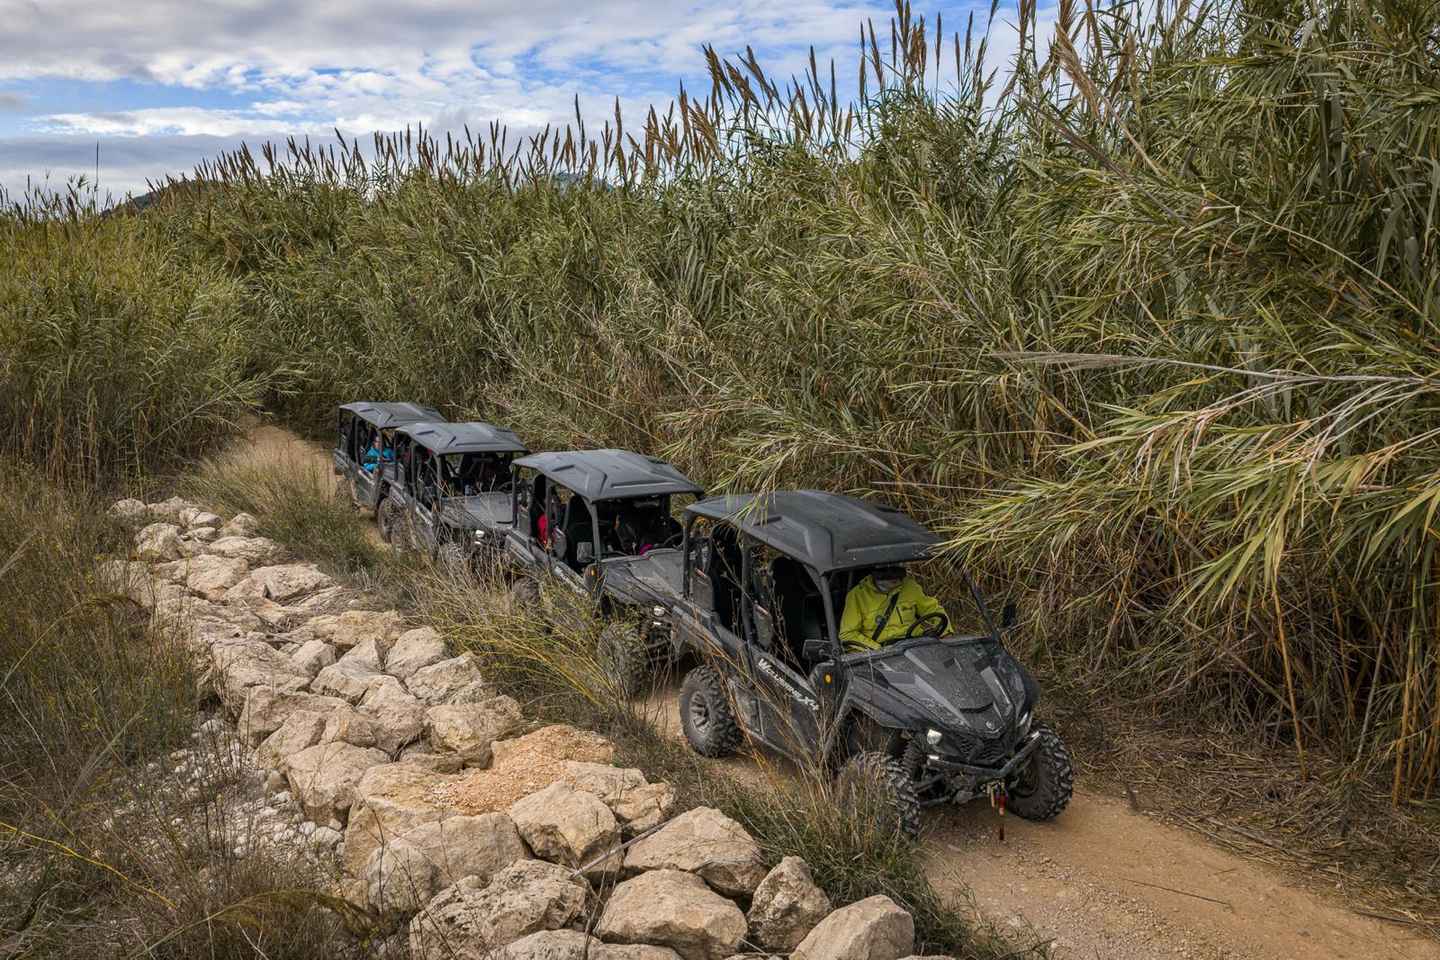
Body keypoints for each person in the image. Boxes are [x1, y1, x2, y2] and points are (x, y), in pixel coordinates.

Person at [839, 565, 948, 653]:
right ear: (875, 574)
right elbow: (847, 634)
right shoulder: (857, 595)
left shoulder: (910, 586)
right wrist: (879, 650)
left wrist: (946, 633)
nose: (896, 580)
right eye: (889, 576)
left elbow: (932, 609)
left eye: (898, 573)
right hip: (880, 652)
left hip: (914, 646)